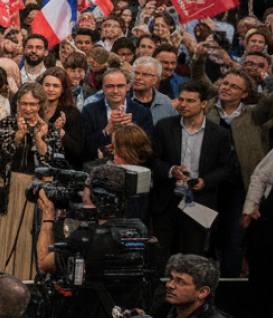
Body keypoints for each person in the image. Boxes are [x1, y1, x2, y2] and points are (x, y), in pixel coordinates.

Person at [149, 82, 237, 277]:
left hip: (200, 201)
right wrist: (171, 170)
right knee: (160, 255)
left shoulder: (219, 134)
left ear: (204, 103)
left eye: (190, 101)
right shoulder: (164, 127)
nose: (183, 104)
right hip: (166, 201)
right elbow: (152, 159)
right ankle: (159, 293)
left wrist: (205, 181)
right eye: (181, 99)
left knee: (193, 256)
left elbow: (227, 168)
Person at [0, 82, 63, 280]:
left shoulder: (50, 129)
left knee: (29, 233)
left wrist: (40, 140)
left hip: (36, 189)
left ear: (40, 105)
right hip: (8, 187)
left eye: (33, 104)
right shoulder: (7, 124)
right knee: (3, 233)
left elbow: (52, 162)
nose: (28, 108)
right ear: (17, 104)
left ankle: (27, 278)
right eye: (24, 103)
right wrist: (18, 137)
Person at [82, 68, 155, 160]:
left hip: (132, 164)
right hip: (98, 164)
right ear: (103, 88)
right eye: (110, 86)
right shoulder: (89, 110)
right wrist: (106, 131)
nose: (115, 91)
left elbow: (147, 148)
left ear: (127, 87)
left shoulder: (143, 112)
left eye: (120, 86)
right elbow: (84, 145)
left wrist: (130, 129)